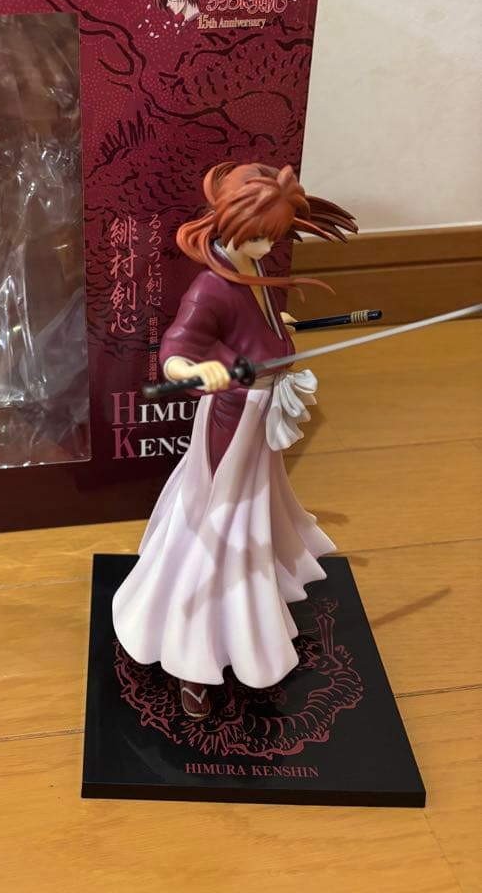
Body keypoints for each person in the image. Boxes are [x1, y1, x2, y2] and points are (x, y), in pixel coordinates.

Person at [112, 161, 358, 718]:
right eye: (257, 236)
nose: (267, 246)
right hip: (233, 421)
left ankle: (251, 613)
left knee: (258, 514)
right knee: (219, 525)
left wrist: (276, 331)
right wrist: (194, 370)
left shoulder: (252, 266)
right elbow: (175, 351)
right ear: (227, 224)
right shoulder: (210, 286)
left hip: (259, 419)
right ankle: (191, 655)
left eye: (274, 236)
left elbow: (250, 325)